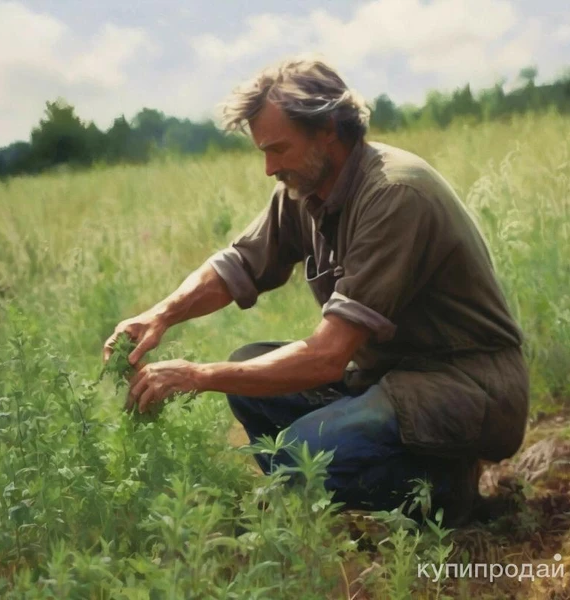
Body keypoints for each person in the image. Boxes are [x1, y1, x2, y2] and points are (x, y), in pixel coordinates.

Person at [103, 56, 529, 527]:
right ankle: (416, 474)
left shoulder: (393, 194)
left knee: (297, 458)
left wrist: (198, 375)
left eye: (278, 149)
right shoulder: (304, 192)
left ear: (328, 129)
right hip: (390, 378)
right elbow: (239, 264)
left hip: (465, 386)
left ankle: (447, 493)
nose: (268, 168)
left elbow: (328, 355)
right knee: (253, 378)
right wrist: (160, 315)